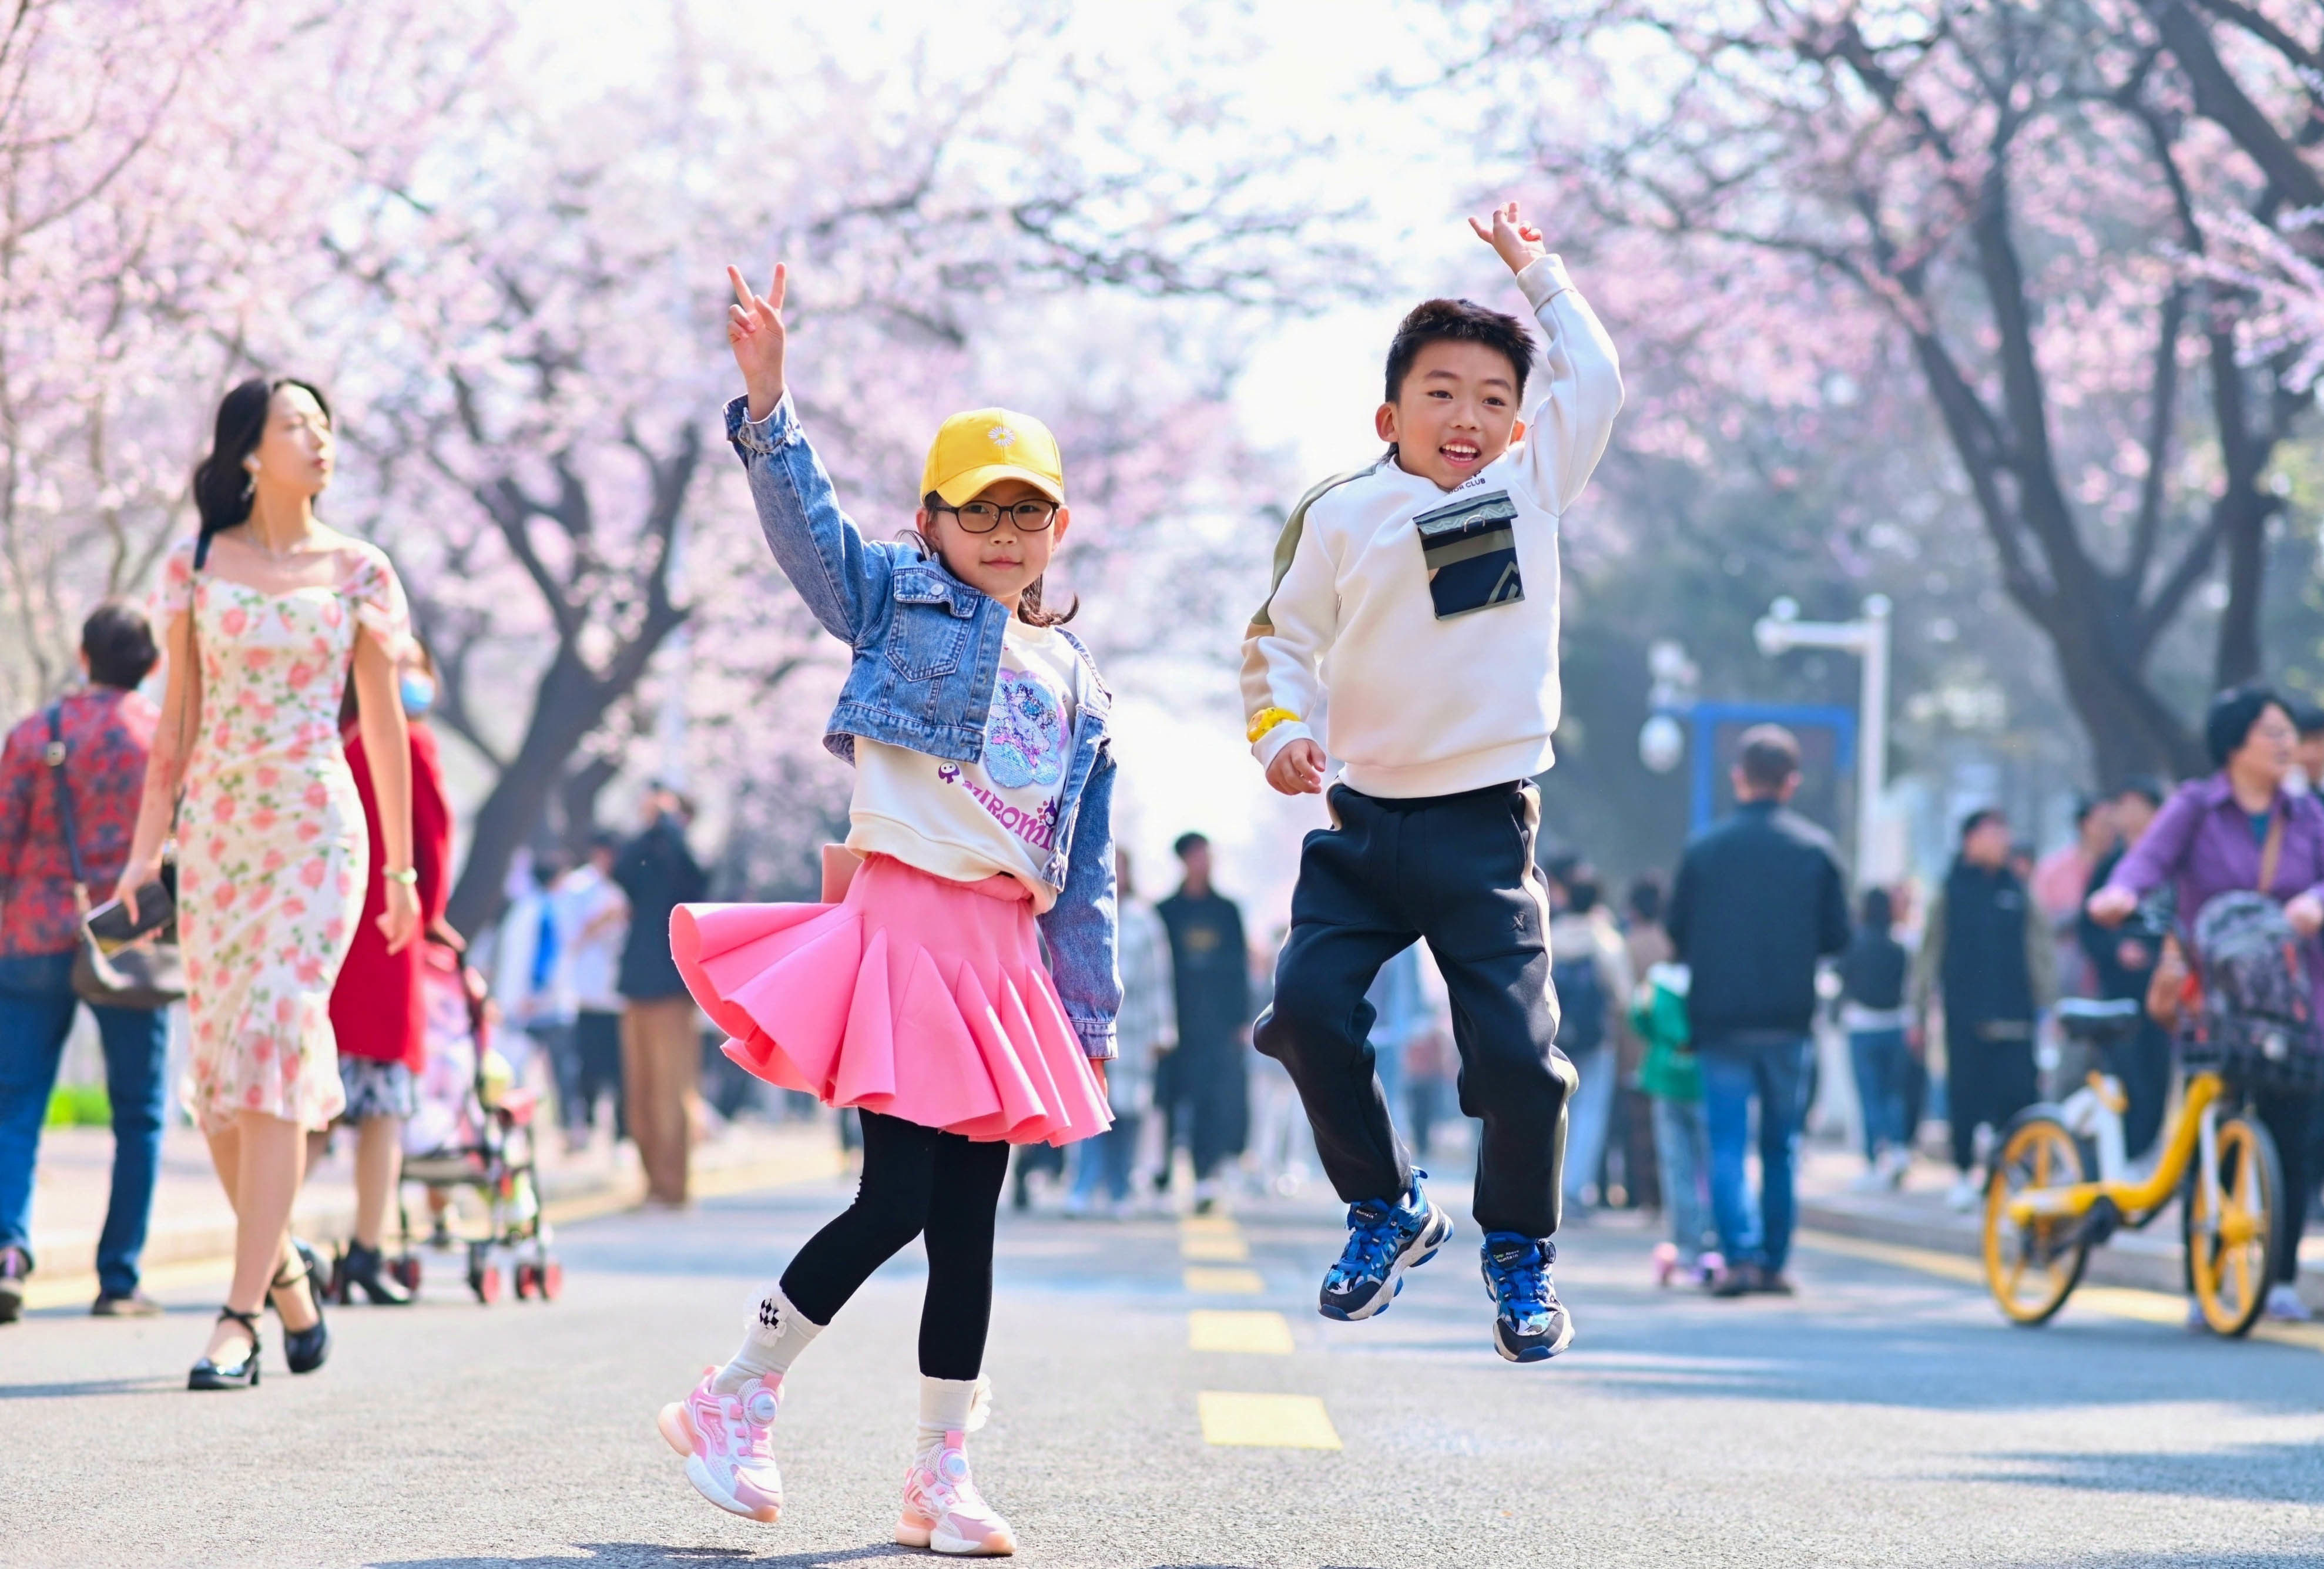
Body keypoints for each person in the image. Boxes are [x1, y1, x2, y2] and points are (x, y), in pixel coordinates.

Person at [651, 260, 1116, 1553]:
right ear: (933, 522)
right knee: (899, 1199)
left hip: (1003, 957)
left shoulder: (1081, 679)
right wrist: (769, 407)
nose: (1008, 534)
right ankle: (735, 1393)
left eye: (1031, 514)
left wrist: (1092, 1017)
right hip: (906, 933)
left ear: (1059, 530)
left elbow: (1088, 876)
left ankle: (937, 1474)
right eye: (983, 513)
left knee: (969, 1220)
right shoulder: (898, 603)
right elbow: (814, 544)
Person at [1244, 201, 1619, 1362]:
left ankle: (1520, 1255)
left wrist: (1535, 272)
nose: (1470, 418)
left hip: (1483, 830)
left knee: (1516, 1060)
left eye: (1495, 400)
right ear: (1389, 413)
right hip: (1361, 826)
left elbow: (1594, 380)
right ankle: (1386, 1208)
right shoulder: (1342, 513)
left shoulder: (1531, 488)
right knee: (1302, 1016)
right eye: (1443, 393)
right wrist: (1281, 737)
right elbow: (1276, 645)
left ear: (1520, 426)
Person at [123, 377, 420, 1389]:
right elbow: (175, 725)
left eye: (327, 424)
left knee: (280, 1036)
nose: (321, 438)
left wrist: (403, 869)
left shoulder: (362, 570)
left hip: (316, 831)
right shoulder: (196, 565)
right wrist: (140, 853)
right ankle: (291, 1276)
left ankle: (239, 1316)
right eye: (298, 424)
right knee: (218, 1079)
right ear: (250, 450)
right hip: (217, 833)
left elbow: (383, 726)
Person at [2090, 687, 2324, 1325]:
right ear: (2235, 743)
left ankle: (2276, 1280)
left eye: (2287, 735)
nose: (2285, 745)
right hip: (2212, 998)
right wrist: (2117, 894)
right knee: (2207, 1132)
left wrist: (2315, 901)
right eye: (2271, 733)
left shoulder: (2305, 814)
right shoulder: (2195, 807)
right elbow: (2147, 862)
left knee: (2289, 1135)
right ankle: (2204, 1277)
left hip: (2293, 1000)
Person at [0, 604, 170, 1320]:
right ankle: (120, 1278)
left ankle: (8, 1251)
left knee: (15, 1105)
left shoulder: (37, 733)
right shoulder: (162, 736)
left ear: (81, 653)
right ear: (153, 666)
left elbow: (4, 839)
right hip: (127, 942)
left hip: (34, 934)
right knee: (139, 1114)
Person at [1666, 725, 1850, 1298]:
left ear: (1738, 777)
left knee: (1725, 1142)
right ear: (1792, 783)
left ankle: (1738, 1258)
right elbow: (1837, 937)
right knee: (1781, 1145)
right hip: (1788, 1017)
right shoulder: (1816, 850)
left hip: (1719, 1019)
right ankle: (1773, 1263)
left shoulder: (1704, 850)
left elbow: (1677, 932)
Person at [321, 639, 454, 1305]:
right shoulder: (412, 743)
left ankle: (283, 1247)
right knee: (382, 1111)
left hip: (329, 944)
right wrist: (430, 917)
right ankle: (366, 1249)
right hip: (391, 943)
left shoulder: (331, 740)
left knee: (313, 1109)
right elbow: (432, 842)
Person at [1913, 808, 2058, 1212]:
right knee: (1965, 1098)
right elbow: (1929, 952)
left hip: (2016, 1015)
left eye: (2003, 831)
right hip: (1965, 1017)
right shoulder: (1950, 890)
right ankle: (1963, 1173)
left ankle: (2011, 1174)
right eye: (1992, 832)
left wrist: (2049, 1004)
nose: (2001, 840)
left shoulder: (2018, 889)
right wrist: (1919, 1010)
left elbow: (2040, 949)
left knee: (2017, 1099)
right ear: (1969, 840)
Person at [615, 786, 707, 1206]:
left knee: (672, 1093)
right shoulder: (643, 856)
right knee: (641, 1094)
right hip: (636, 987)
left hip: (673, 990)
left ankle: (675, 1186)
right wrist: (650, 827)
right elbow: (620, 870)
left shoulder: (688, 855)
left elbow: (695, 877)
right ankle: (651, 1182)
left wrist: (671, 827)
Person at [1067, 849, 1173, 1216]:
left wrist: (1162, 1032)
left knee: (1128, 1116)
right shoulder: (1085, 910)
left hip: (1134, 1032)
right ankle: (1082, 1186)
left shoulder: (1145, 920)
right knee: (1087, 1109)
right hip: (1089, 1029)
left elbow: (1160, 981)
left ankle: (1119, 1190)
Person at [2077, 779, 2173, 1161]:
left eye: (2138, 806)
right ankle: (2121, 1154)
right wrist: (2116, 949)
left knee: (2157, 1074)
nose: (2129, 815)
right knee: (2125, 1074)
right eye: (2124, 806)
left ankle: (2146, 1150)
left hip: (2162, 990)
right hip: (2118, 991)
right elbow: (2089, 928)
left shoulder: (2172, 866)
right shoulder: (2109, 867)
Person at [1156, 832, 1252, 1214]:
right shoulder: (1165, 912)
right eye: (1197, 856)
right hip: (1173, 1025)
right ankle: (1160, 1171)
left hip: (1216, 1027)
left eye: (1207, 856)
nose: (1204, 862)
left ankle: (1205, 1175)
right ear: (1183, 860)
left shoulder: (1227, 911)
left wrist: (1243, 1021)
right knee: (1167, 1099)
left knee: (1211, 1102)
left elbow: (1240, 970)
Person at [1549, 869, 1632, 1213]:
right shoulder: (1606, 941)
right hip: (1597, 1041)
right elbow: (1625, 997)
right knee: (1590, 1115)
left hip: (1554, 1039)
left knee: (1553, 1115)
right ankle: (1575, 1189)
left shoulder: (1550, 934)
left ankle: (1548, 1188)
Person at [1628, 958, 1713, 1286]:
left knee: (1677, 1168)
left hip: (1666, 1080)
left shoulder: (1658, 980)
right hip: (1706, 1079)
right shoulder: (1714, 974)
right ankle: (1713, 1239)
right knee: (1713, 1166)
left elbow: (1639, 1020)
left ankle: (1687, 1246)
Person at [556, 829, 629, 1145]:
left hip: (620, 993)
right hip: (586, 992)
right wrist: (600, 921)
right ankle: (582, 1126)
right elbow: (569, 938)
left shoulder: (625, 884)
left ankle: (622, 1132)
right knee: (586, 1065)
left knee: (621, 1068)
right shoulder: (577, 888)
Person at [1839, 887, 1913, 1190]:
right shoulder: (1899, 948)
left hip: (1862, 1026)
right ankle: (1898, 1149)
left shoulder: (1854, 946)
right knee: (1892, 1093)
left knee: (1869, 1095)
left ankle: (1873, 1160)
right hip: (1895, 1025)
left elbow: (1842, 979)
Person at [2033, 796, 2115, 1000]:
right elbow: (2038, 927)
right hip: (2065, 979)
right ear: (2083, 825)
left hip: (2111, 977)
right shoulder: (2053, 871)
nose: (2110, 831)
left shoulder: (2121, 871)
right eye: (2104, 824)